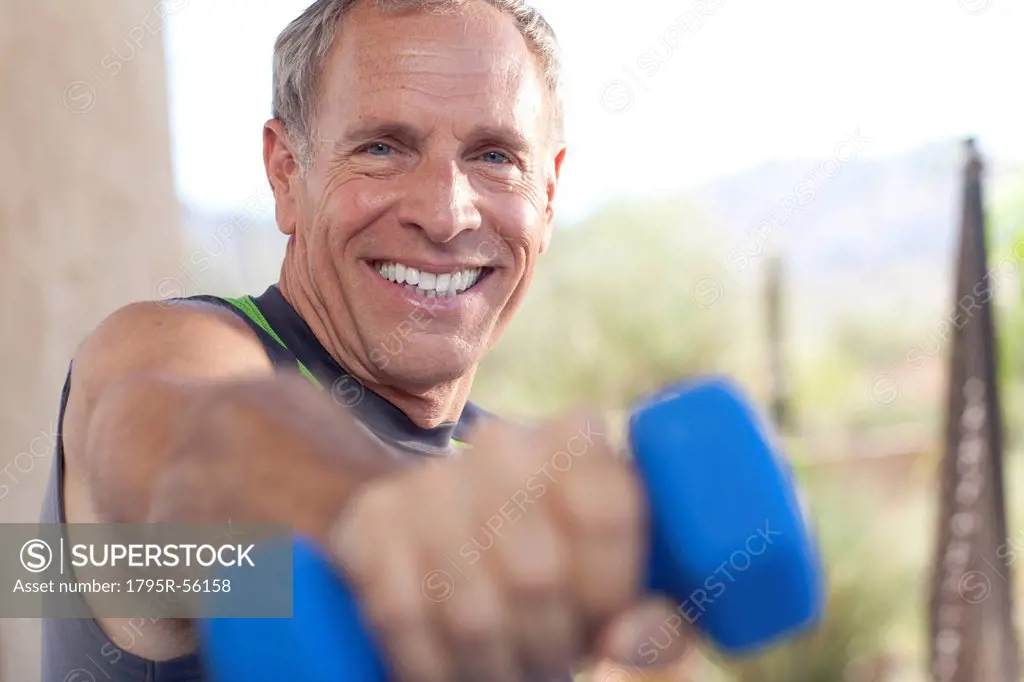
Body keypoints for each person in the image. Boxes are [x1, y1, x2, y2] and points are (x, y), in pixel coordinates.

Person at [41, 1, 690, 680]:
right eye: (382, 147)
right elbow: (185, 446)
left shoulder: (508, 488)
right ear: (287, 172)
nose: (444, 215)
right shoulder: (177, 349)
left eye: (494, 155)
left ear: (548, 196)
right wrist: (380, 522)